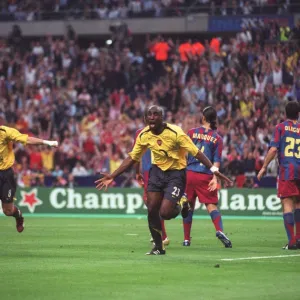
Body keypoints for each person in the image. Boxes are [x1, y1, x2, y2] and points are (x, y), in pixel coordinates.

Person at [95, 105, 232, 255]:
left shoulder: (175, 132)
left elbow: (196, 152)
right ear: (146, 119)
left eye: (156, 114)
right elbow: (132, 157)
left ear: (162, 117)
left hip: (176, 173)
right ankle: (159, 247)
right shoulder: (144, 135)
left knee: (165, 212)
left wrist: (213, 170)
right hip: (157, 172)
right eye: (149, 115)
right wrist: (113, 175)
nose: (152, 117)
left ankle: (181, 202)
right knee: (152, 209)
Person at [182, 106, 232, 248]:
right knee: (211, 205)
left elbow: (184, 154)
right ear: (214, 119)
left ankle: (186, 239)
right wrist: (215, 178)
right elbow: (216, 161)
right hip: (206, 175)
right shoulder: (217, 138)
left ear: (203, 118)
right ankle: (219, 230)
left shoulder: (191, 133)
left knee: (188, 206)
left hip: (190, 174)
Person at [258, 101, 300, 250]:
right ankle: (299, 238)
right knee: (298, 204)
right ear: (298, 114)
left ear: (285, 114)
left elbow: (273, 150)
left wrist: (264, 167)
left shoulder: (280, 127)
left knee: (288, 203)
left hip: (287, 170)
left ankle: (292, 242)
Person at [0, 125, 58, 232]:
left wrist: (47, 142)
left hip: (5, 174)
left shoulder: (5, 132)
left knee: (7, 211)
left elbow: (27, 139)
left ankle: (18, 216)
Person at [134, 125, 169, 247]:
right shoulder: (165, 130)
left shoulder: (140, 133)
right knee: (156, 203)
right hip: (163, 169)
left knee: (151, 202)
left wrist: (137, 172)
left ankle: (162, 235)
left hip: (150, 171)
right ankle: (159, 233)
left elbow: (136, 155)